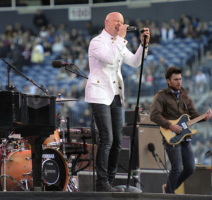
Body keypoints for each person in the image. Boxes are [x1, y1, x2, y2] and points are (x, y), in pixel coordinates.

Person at [85, 12, 150, 192]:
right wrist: (121, 38)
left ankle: (109, 181)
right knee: (107, 138)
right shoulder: (97, 42)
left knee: (118, 140)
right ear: (106, 22)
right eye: (117, 22)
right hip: (99, 94)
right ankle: (101, 183)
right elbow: (110, 58)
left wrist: (144, 45)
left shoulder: (118, 43)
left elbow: (135, 62)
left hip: (115, 95)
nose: (120, 25)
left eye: (122, 22)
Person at [149, 66, 212, 194]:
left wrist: (204, 117)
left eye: (180, 79)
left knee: (190, 168)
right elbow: (154, 115)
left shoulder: (185, 96)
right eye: (176, 79)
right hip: (171, 136)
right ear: (168, 81)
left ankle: (168, 189)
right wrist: (170, 125)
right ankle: (169, 195)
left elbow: (193, 115)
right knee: (176, 168)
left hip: (185, 137)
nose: (179, 81)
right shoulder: (161, 96)